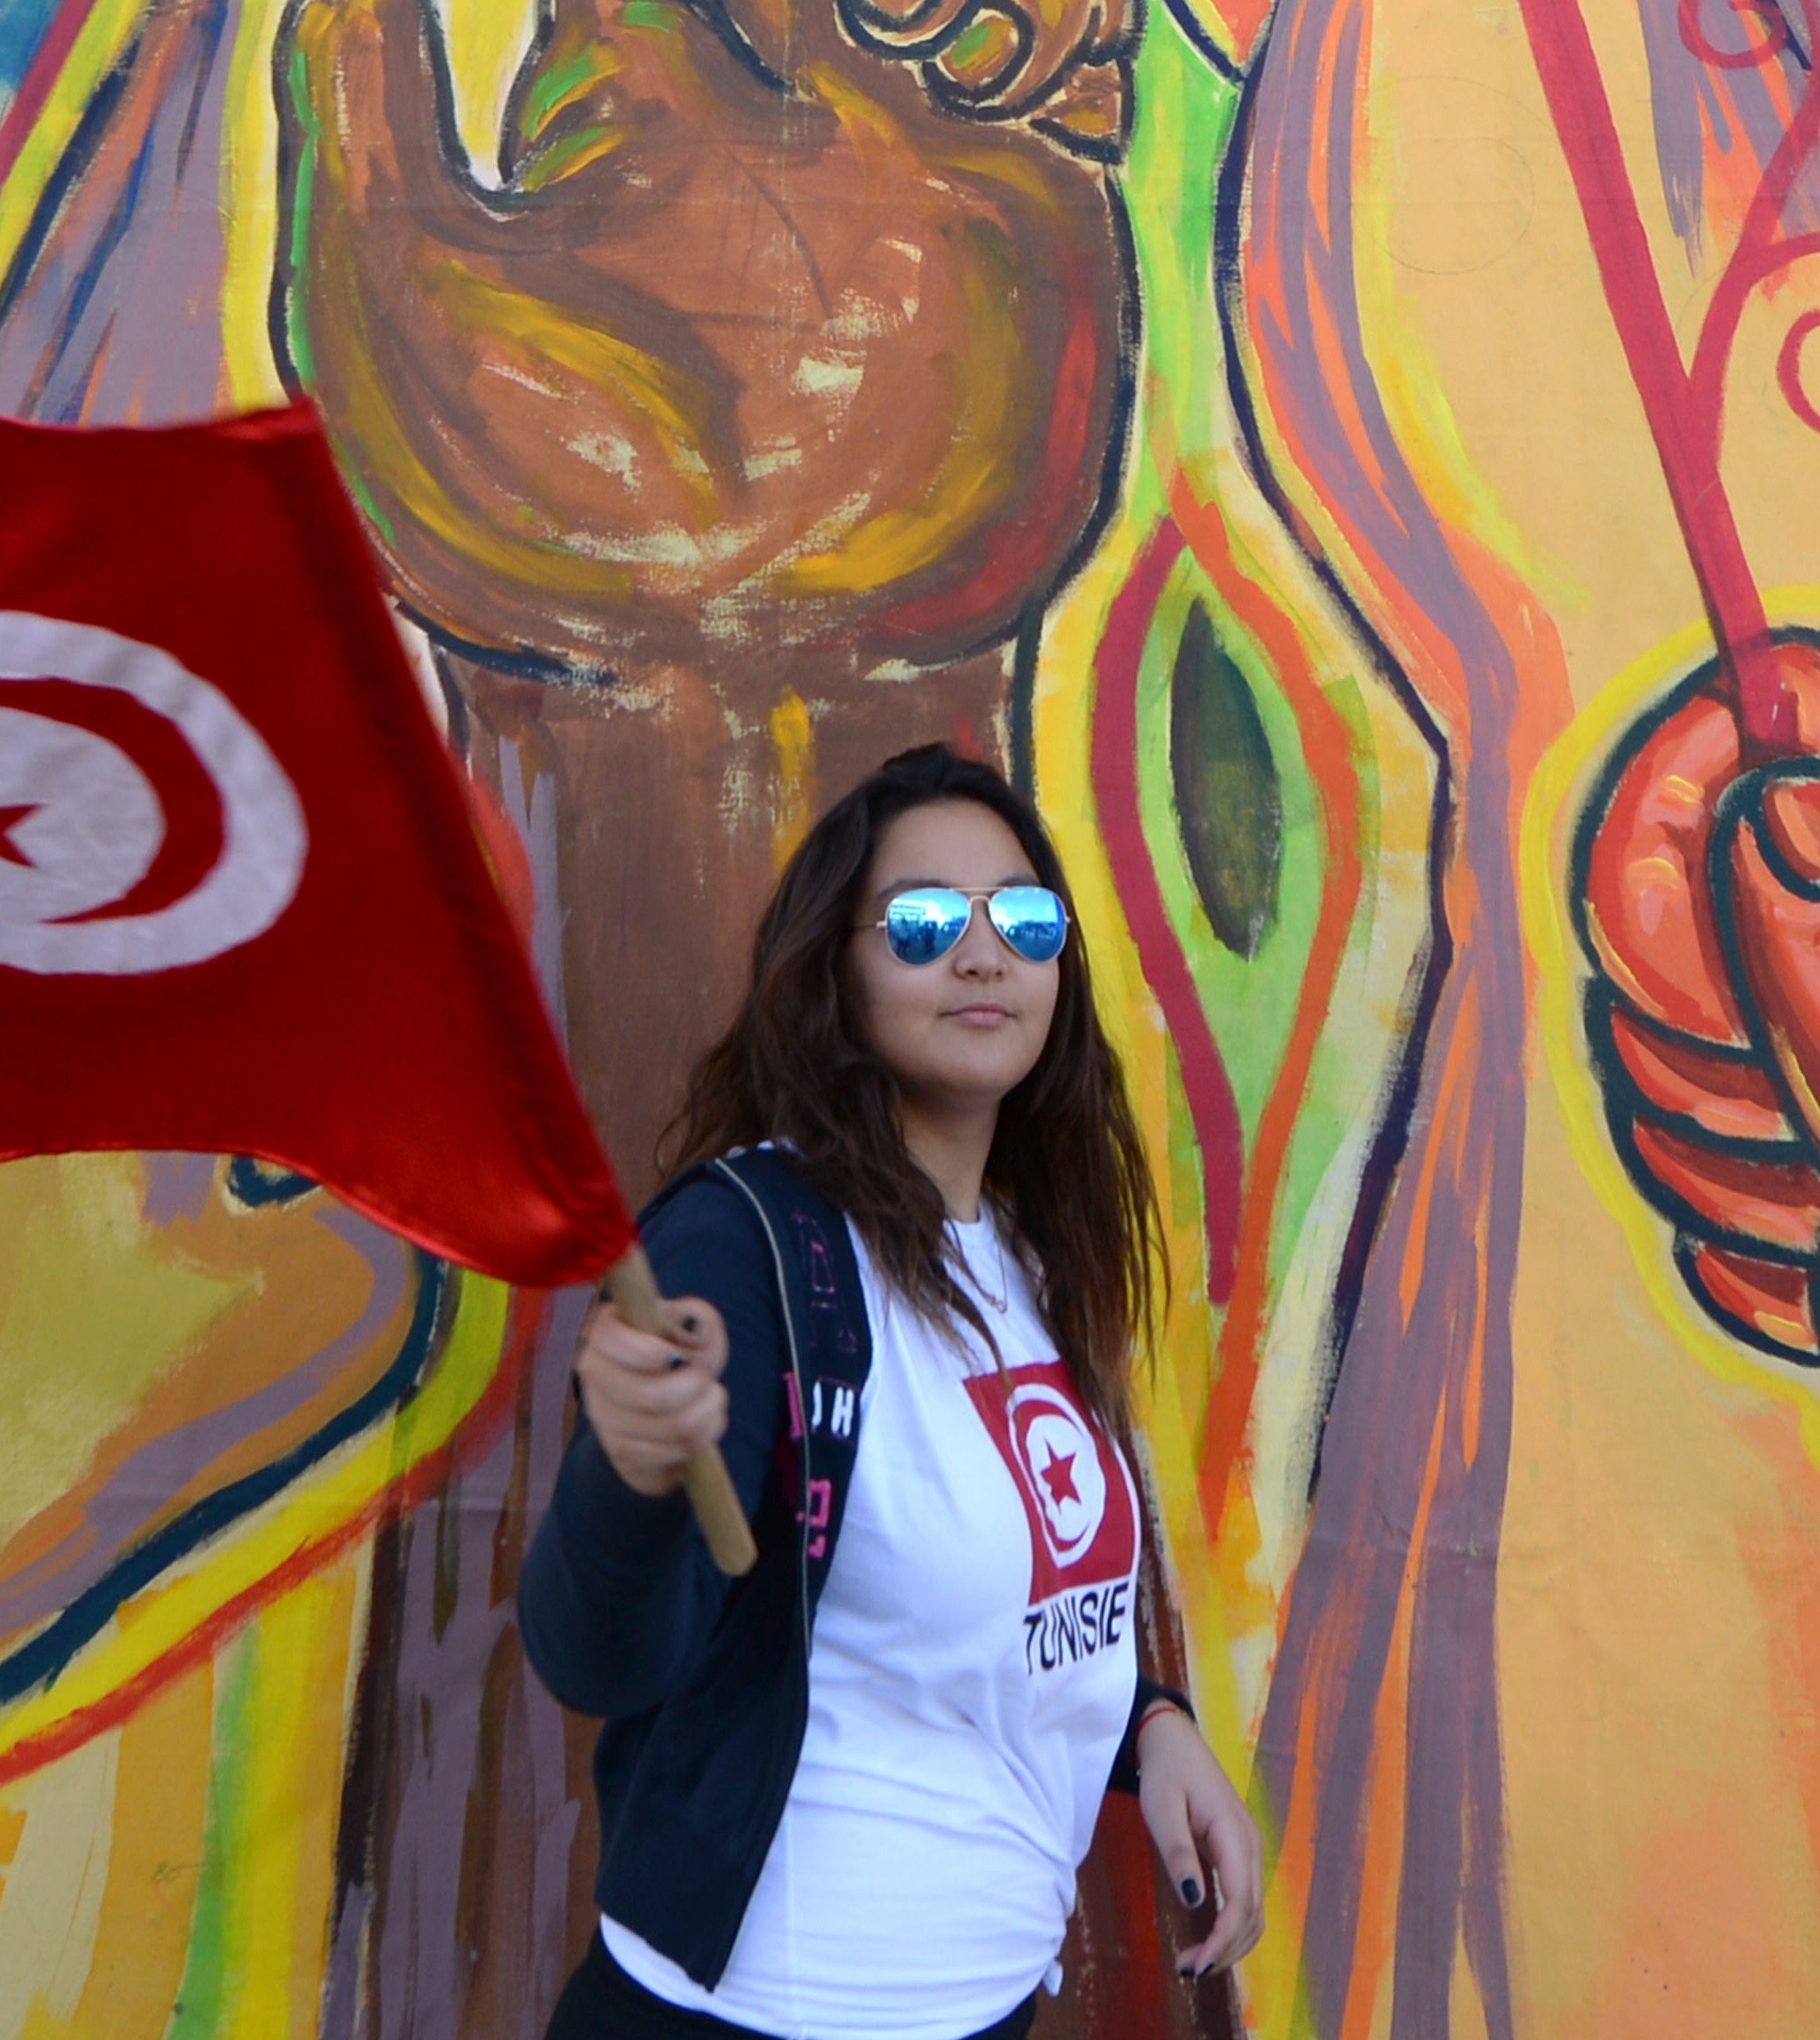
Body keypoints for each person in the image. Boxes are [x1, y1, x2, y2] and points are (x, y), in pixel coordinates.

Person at [519, 743, 1266, 2040]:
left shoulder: (1031, 1252)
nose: (982, 954)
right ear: (838, 971)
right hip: (761, 2016)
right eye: (923, 923)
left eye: (1024, 920)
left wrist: (1151, 1724)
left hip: (980, 2004)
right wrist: (629, 1476)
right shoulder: (750, 1243)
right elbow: (599, 1653)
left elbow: (1008, 1601)